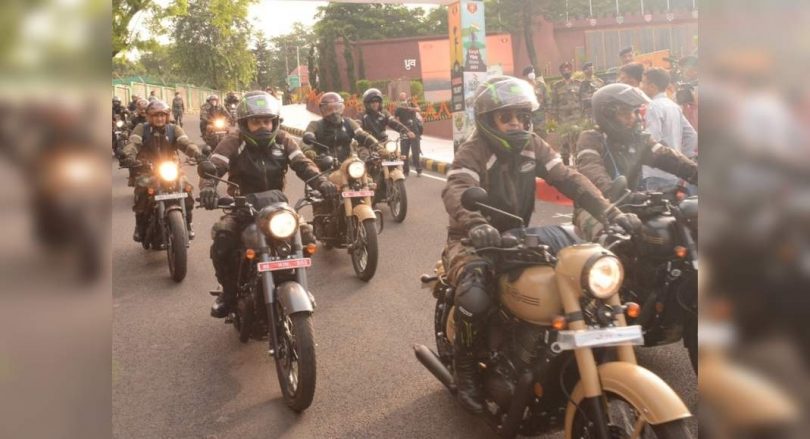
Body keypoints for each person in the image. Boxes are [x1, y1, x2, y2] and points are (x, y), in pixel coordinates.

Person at [442, 75, 641, 414]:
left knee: (583, 270)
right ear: (489, 121)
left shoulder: (534, 145)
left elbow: (569, 178)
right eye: (507, 117)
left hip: (519, 234)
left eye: (522, 115)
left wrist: (610, 212)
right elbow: (457, 189)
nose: (517, 123)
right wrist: (477, 225)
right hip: (474, 238)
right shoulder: (474, 150)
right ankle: (466, 372)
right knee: (474, 296)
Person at [197, 91, 337, 318]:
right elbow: (215, 166)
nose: (262, 126)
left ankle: (297, 284)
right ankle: (229, 294)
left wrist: (322, 182)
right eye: (256, 121)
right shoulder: (234, 141)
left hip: (277, 208)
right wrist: (207, 189)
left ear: (274, 122)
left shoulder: (283, 139)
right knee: (223, 237)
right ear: (245, 123)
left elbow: (303, 163)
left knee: (307, 237)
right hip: (242, 207)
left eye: (266, 121)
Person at [573, 83, 698, 240]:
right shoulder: (591, 139)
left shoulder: (639, 140)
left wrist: (698, 174)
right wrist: (615, 193)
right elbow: (592, 171)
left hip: (632, 203)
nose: (637, 118)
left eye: (637, 112)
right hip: (594, 207)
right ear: (607, 115)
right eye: (627, 113)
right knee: (613, 237)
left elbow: (670, 158)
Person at [120, 100, 205, 242]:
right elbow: (133, 143)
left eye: (162, 115)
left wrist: (198, 155)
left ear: (167, 116)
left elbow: (185, 143)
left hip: (171, 167)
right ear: (149, 116)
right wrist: (129, 156)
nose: (159, 118)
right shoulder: (142, 128)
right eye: (155, 115)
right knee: (141, 189)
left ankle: (188, 223)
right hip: (148, 169)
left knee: (187, 189)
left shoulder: (174, 129)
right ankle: (139, 225)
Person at [638, 67, 698, 193]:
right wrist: (682, 158)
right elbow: (692, 135)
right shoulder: (673, 106)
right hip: (675, 172)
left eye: (643, 82)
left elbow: (652, 139)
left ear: (652, 86)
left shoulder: (653, 107)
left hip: (657, 172)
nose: (641, 86)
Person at [302, 92, 381, 164]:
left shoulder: (349, 122)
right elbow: (305, 142)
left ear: (341, 108)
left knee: (367, 178)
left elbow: (363, 135)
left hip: (348, 164)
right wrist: (308, 152)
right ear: (323, 110)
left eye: (336, 108)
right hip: (324, 165)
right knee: (322, 179)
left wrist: (379, 147)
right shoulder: (315, 125)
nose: (334, 112)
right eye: (329, 109)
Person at [360, 89, 416, 179]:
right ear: (367, 103)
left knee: (394, 153)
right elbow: (357, 127)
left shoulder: (384, 113)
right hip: (367, 144)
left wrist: (407, 131)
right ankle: (366, 181)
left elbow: (393, 122)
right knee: (364, 159)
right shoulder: (362, 115)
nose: (375, 104)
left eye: (377, 101)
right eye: (372, 102)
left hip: (383, 142)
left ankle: (397, 170)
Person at [551, 62, 582, 165]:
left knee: (577, 140)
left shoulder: (579, 84)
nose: (566, 71)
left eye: (568, 69)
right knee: (564, 141)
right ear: (561, 72)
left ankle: (578, 162)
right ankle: (565, 163)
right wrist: (554, 117)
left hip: (576, 117)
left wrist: (583, 116)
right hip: (563, 118)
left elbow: (581, 100)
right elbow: (554, 102)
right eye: (564, 69)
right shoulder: (557, 86)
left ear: (571, 70)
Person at [394, 92, 424, 176]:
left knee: (416, 152)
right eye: (401, 98)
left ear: (406, 97)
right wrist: (400, 128)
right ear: (399, 99)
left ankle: (418, 170)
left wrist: (410, 108)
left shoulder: (411, 103)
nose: (403, 99)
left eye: (403, 97)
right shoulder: (399, 108)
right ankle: (406, 171)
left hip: (415, 132)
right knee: (404, 153)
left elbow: (419, 109)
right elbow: (395, 120)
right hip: (404, 133)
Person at [522, 66, 550, 139]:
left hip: (540, 116)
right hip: (528, 116)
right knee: (529, 136)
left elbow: (548, 100)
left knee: (542, 136)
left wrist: (548, 115)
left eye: (532, 72)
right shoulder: (523, 87)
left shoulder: (541, 85)